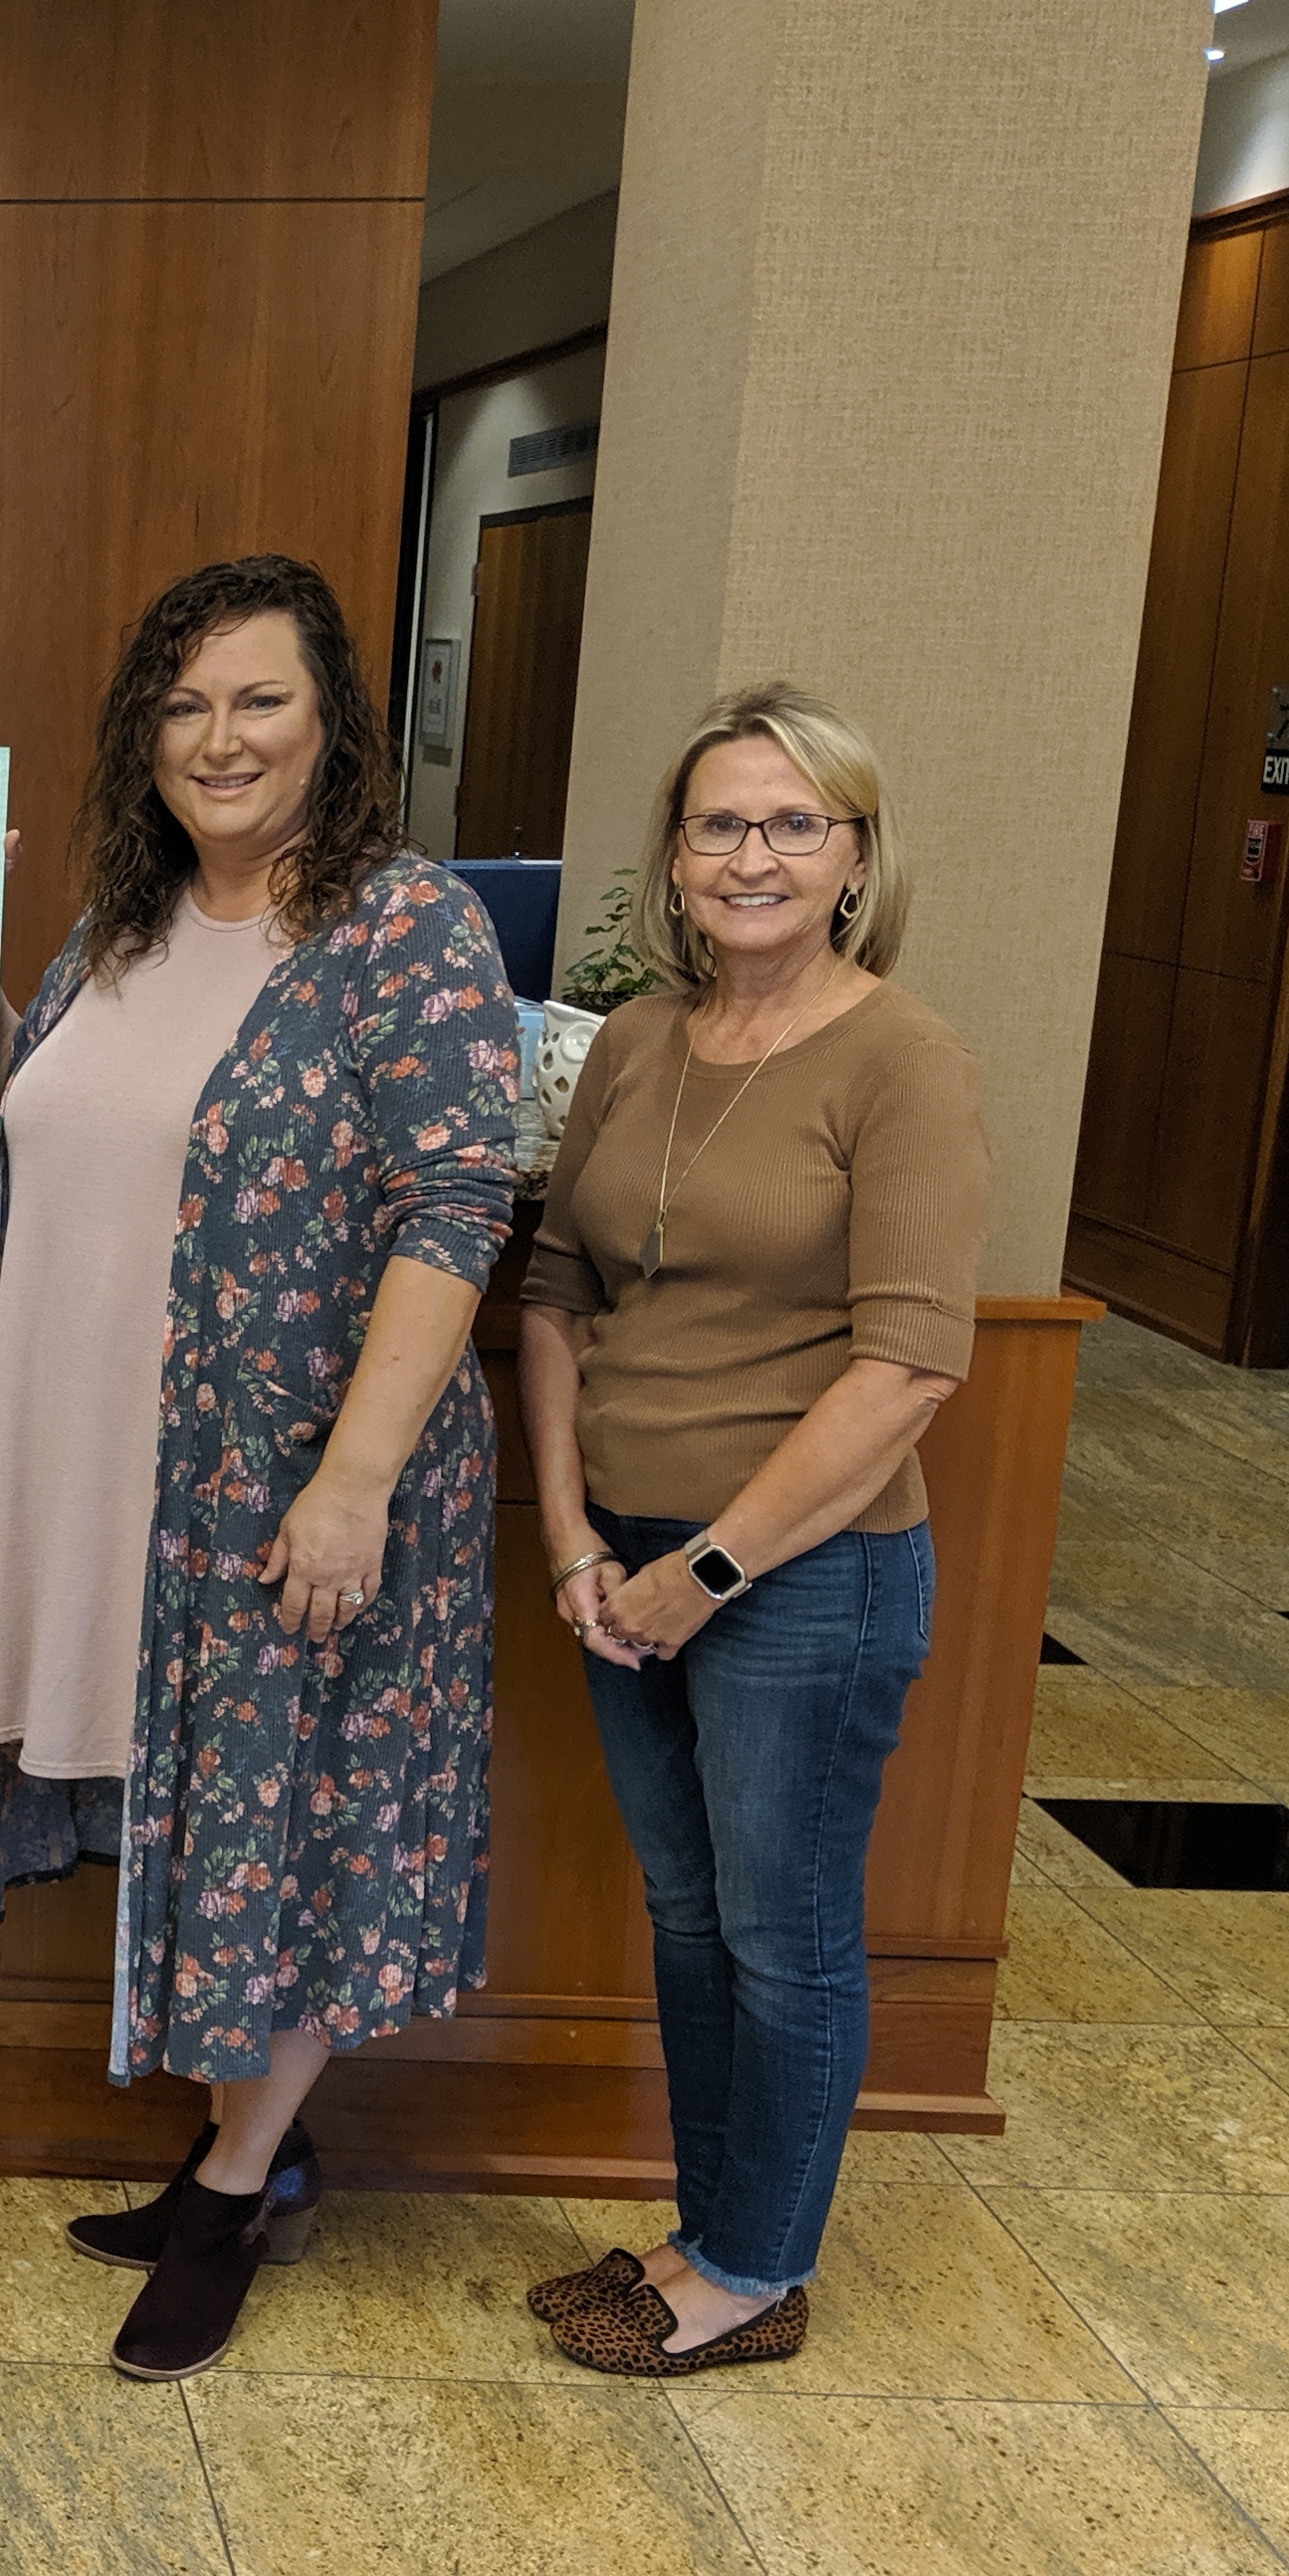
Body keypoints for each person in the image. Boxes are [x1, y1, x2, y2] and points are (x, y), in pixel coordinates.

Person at [0, 553, 521, 2381]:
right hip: (115, 1478)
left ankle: (233, 2191)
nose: (220, 739)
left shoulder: (403, 930)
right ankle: (253, 2145)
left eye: (260, 699)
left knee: (282, 1826)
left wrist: (350, 1483)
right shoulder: (116, 924)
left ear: (332, 718)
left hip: (296, 1493)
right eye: (183, 708)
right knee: (209, 1808)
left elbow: (458, 1199)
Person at [517, 684, 988, 2374]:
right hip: (623, 1556)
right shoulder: (637, 1037)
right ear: (674, 854)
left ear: (855, 857)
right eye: (719, 822)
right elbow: (560, 1284)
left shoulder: (901, 1059)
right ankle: (709, 2225)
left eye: (794, 823)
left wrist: (705, 1573)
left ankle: (753, 2271)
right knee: (693, 1914)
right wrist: (574, 1539)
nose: (752, 855)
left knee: (786, 1935)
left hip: (801, 1577)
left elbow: (915, 1363)